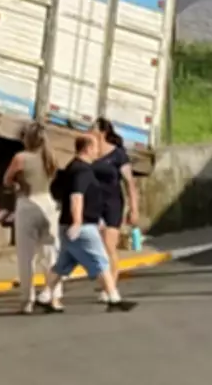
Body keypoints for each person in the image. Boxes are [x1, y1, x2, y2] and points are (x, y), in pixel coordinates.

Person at [41, 134, 136, 313]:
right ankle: (114, 299)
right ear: (87, 148)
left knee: (63, 264)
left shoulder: (73, 167)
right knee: (101, 261)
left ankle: (45, 296)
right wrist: (78, 222)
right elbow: (77, 196)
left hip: (73, 224)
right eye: (95, 148)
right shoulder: (82, 171)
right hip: (82, 227)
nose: (98, 151)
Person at [2, 122, 63, 314]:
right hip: (48, 204)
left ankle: (27, 300)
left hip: (27, 204)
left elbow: (7, 180)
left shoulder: (20, 158)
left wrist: (16, 186)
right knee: (50, 254)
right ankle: (54, 295)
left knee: (27, 256)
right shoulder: (51, 157)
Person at [91, 117, 139, 300]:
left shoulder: (118, 155)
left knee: (109, 246)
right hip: (93, 204)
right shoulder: (89, 153)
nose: (90, 131)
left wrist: (134, 209)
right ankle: (106, 283)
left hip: (112, 204)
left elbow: (130, 183)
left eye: (93, 128)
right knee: (97, 248)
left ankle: (110, 288)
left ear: (102, 132)